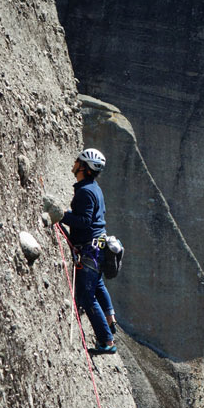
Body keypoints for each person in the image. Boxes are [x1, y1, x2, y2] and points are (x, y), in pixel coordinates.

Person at [59, 148, 118, 354]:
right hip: (99, 246)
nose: (74, 162)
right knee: (98, 284)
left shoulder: (85, 191)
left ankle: (107, 341)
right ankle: (110, 320)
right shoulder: (94, 188)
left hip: (90, 249)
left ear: (84, 167)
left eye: (78, 161)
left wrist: (61, 215)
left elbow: (84, 222)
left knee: (86, 296)